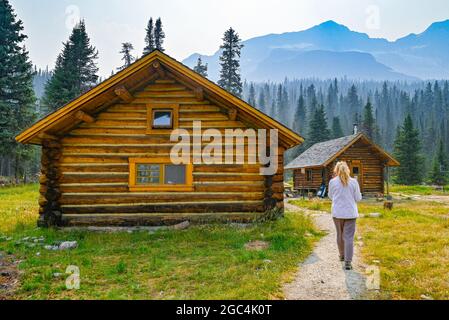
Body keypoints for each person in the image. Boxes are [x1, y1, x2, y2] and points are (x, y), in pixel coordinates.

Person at [328, 161, 362, 270]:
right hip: (350, 213)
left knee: (339, 234)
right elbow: (358, 198)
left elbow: (330, 196)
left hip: (337, 213)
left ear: (336, 171)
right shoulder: (354, 182)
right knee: (349, 237)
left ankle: (342, 256)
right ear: (348, 169)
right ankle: (348, 262)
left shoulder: (332, 182)